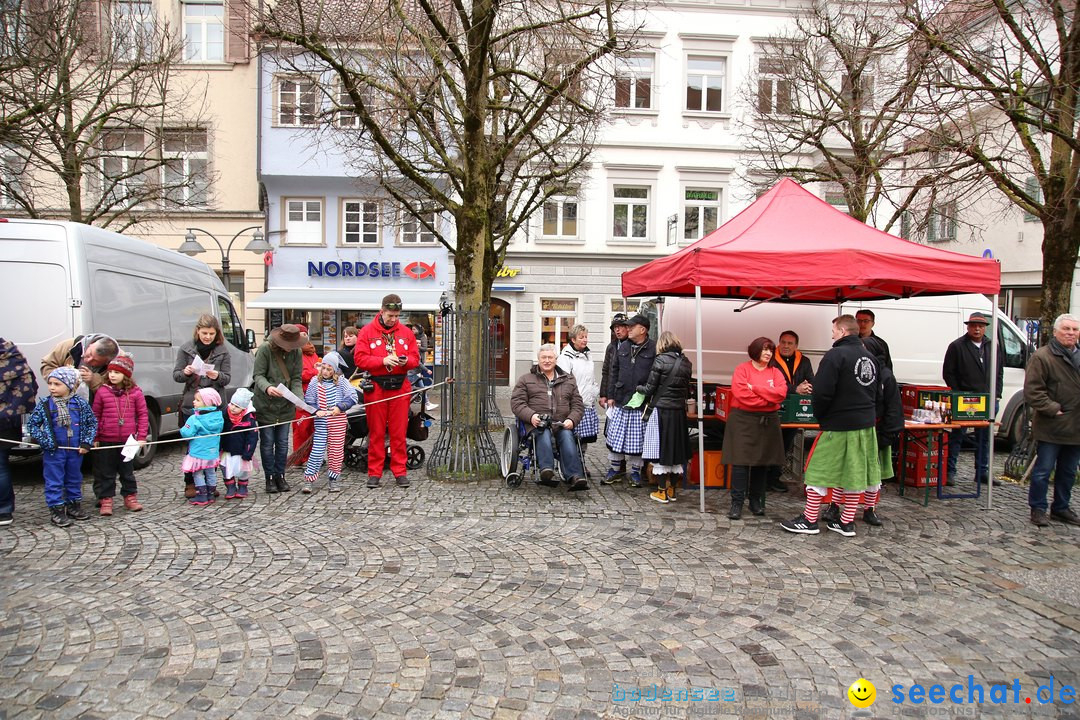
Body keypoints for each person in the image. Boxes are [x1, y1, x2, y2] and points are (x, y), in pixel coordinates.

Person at [782, 315, 881, 537]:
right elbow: (877, 393)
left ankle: (809, 520)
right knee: (854, 473)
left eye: (834, 331)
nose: (832, 334)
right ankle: (846, 522)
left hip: (838, 425)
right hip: (865, 425)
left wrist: (822, 418)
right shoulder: (870, 358)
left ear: (844, 332)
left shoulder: (835, 355)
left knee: (817, 471)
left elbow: (822, 392)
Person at [354, 294, 421, 488]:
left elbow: (415, 359)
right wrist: (381, 361)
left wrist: (405, 361)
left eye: (396, 315)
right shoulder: (367, 332)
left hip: (400, 387)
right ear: (381, 311)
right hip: (376, 387)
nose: (393, 319)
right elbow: (360, 359)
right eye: (390, 315)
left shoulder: (406, 333)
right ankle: (374, 472)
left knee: (398, 432)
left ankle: (400, 471)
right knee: (376, 432)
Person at [1023, 313, 1080, 527]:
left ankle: (1061, 508)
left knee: (1068, 472)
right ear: (1056, 332)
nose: (1071, 333)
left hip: (1076, 427)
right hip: (1051, 425)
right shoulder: (1042, 357)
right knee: (1043, 471)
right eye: (1066, 329)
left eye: (1074, 329)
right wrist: (1053, 409)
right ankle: (1038, 508)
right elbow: (1033, 391)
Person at [723, 337, 787, 519]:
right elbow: (742, 394)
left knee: (762, 462)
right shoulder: (742, 369)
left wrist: (756, 388)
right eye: (765, 349)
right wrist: (768, 399)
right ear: (755, 350)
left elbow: (781, 393)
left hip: (767, 420)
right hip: (743, 419)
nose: (768, 353)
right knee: (740, 462)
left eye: (771, 350)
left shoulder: (775, 372)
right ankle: (736, 503)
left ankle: (755, 501)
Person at [26, 367, 97, 527]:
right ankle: (56, 509)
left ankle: (73, 505)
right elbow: (32, 425)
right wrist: (46, 441)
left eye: (57, 384)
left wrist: (86, 442)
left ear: (70, 386)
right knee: (54, 480)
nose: (52, 387)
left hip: (75, 450)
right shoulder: (45, 404)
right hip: (54, 452)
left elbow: (91, 423)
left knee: (74, 477)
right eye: (50, 383)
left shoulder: (80, 404)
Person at [511, 344, 587, 490]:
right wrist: (531, 416)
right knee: (543, 432)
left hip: (561, 423)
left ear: (556, 359)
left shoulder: (568, 380)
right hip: (536, 423)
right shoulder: (526, 379)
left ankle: (575, 476)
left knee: (567, 436)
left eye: (550, 357)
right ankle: (546, 469)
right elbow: (517, 403)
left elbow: (578, 405)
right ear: (538, 360)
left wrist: (571, 419)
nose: (547, 360)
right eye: (543, 357)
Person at [943, 312, 1004, 486]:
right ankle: (950, 471)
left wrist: (997, 393)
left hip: (988, 398)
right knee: (957, 436)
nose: (977, 329)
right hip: (964, 398)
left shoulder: (992, 346)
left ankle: (982, 471)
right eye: (973, 325)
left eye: (981, 326)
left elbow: (998, 371)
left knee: (984, 438)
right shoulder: (957, 346)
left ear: (985, 328)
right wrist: (959, 393)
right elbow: (949, 372)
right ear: (968, 327)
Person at [173, 315, 232, 498]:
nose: (207, 337)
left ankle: (209, 482)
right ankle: (190, 482)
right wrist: (186, 371)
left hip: (214, 405)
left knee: (212, 445)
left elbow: (227, 378)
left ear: (217, 334)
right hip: (192, 404)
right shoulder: (186, 349)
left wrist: (217, 375)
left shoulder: (223, 351)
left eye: (211, 333)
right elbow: (176, 375)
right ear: (198, 331)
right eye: (204, 333)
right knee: (193, 446)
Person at [638, 330, 692, 504]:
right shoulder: (686, 363)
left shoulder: (660, 360)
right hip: (679, 412)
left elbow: (650, 389)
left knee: (660, 451)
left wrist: (638, 388)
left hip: (661, 412)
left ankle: (661, 491)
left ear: (661, 345)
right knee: (676, 451)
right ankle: (672, 490)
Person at [91, 353, 148, 516]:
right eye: (110, 372)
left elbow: (143, 415)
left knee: (127, 471)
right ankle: (106, 499)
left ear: (126, 374)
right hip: (106, 439)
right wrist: (95, 437)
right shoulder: (102, 392)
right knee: (106, 472)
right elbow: (96, 415)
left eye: (116, 372)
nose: (112, 375)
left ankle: (130, 496)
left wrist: (142, 436)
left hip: (128, 440)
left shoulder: (136, 392)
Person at [604, 314, 657, 488]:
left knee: (637, 439)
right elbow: (614, 371)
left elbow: (655, 375)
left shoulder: (653, 348)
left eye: (631, 327)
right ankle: (615, 470)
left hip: (641, 401)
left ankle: (635, 472)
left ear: (642, 329)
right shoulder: (624, 346)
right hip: (620, 398)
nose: (628, 329)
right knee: (616, 437)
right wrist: (610, 395)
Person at [253, 323, 306, 494]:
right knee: (267, 443)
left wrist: (299, 398)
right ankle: (269, 477)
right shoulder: (265, 349)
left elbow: (297, 378)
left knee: (283, 443)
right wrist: (268, 387)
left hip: (285, 404)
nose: (291, 349)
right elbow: (258, 375)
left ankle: (280, 475)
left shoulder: (297, 352)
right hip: (266, 403)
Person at [301, 351, 357, 494]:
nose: (325, 371)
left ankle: (334, 479)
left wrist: (340, 407)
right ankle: (309, 479)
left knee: (336, 452)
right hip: (321, 422)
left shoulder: (342, 382)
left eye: (329, 369)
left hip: (337, 422)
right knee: (317, 451)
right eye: (323, 368)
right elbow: (309, 400)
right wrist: (315, 410)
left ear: (335, 369)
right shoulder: (315, 381)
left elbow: (353, 397)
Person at [766, 330, 815, 493]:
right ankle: (766, 479)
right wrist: (796, 388)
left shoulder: (804, 361)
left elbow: (810, 380)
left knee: (785, 445)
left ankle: (775, 477)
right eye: (783, 342)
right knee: (771, 444)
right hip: (774, 408)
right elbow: (771, 384)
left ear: (796, 346)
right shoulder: (771, 360)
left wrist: (807, 388)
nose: (786, 346)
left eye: (790, 343)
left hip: (794, 412)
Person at [0, 338, 38, 526]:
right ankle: (4, 511)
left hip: (4, 424)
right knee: (1, 465)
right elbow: (30, 388)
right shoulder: (14, 356)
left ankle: (4, 510)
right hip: (8, 421)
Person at [558, 324, 600, 470]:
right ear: (573, 339)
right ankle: (572, 464)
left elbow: (591, 377)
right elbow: (564, 381)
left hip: (587, 402)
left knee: (583, 438)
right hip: (574, 404)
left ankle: (581, 462)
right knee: (572, 436)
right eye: (581, 337)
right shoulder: (565, 357)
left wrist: (595, 391)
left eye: (586, 337)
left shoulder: (588, 355)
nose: (585, 340)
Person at [180, 388, 224, 507]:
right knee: (210, 473)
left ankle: (202, 495)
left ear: (207, 402)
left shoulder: (195, 418)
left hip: (198, 453)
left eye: (197, 400)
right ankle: (210, 493)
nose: (194, 402)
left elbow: (186, 433)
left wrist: (183, 429)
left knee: (198, 474)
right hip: (212, 452)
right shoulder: (218, 417)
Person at [41, 333, 120, 397]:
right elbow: (47, 365)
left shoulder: (117, 363)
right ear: (90, 344)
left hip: (92, 409)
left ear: (106, 362)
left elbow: (115, 391)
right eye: (89, 354)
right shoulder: (69, 345)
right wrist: (61, 380)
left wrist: (93, 379)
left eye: (95, 361)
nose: (88, 360)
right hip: (61, 403)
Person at [220, 387, 258, 500]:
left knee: (243, 471)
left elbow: (252, 437)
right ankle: (230, 487)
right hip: (227, 449)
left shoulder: (249, 420)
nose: (232, 408)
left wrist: (248, 452)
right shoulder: (224, 415)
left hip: (241, 451)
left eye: (237, 406)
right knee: (226, 469)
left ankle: (242, 487)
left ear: (243, 408)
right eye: (232, 404)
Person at [291, 325, 321, 465]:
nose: (303, 336)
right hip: (301, 396)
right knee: (301, 428)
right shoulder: (293, 353)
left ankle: (312, 456)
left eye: (305, 334)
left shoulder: (312, 352)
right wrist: (315, 373)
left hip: (315, 396)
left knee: (313, 428)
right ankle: (300, 458)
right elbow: (296, 375)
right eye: (300, 334)